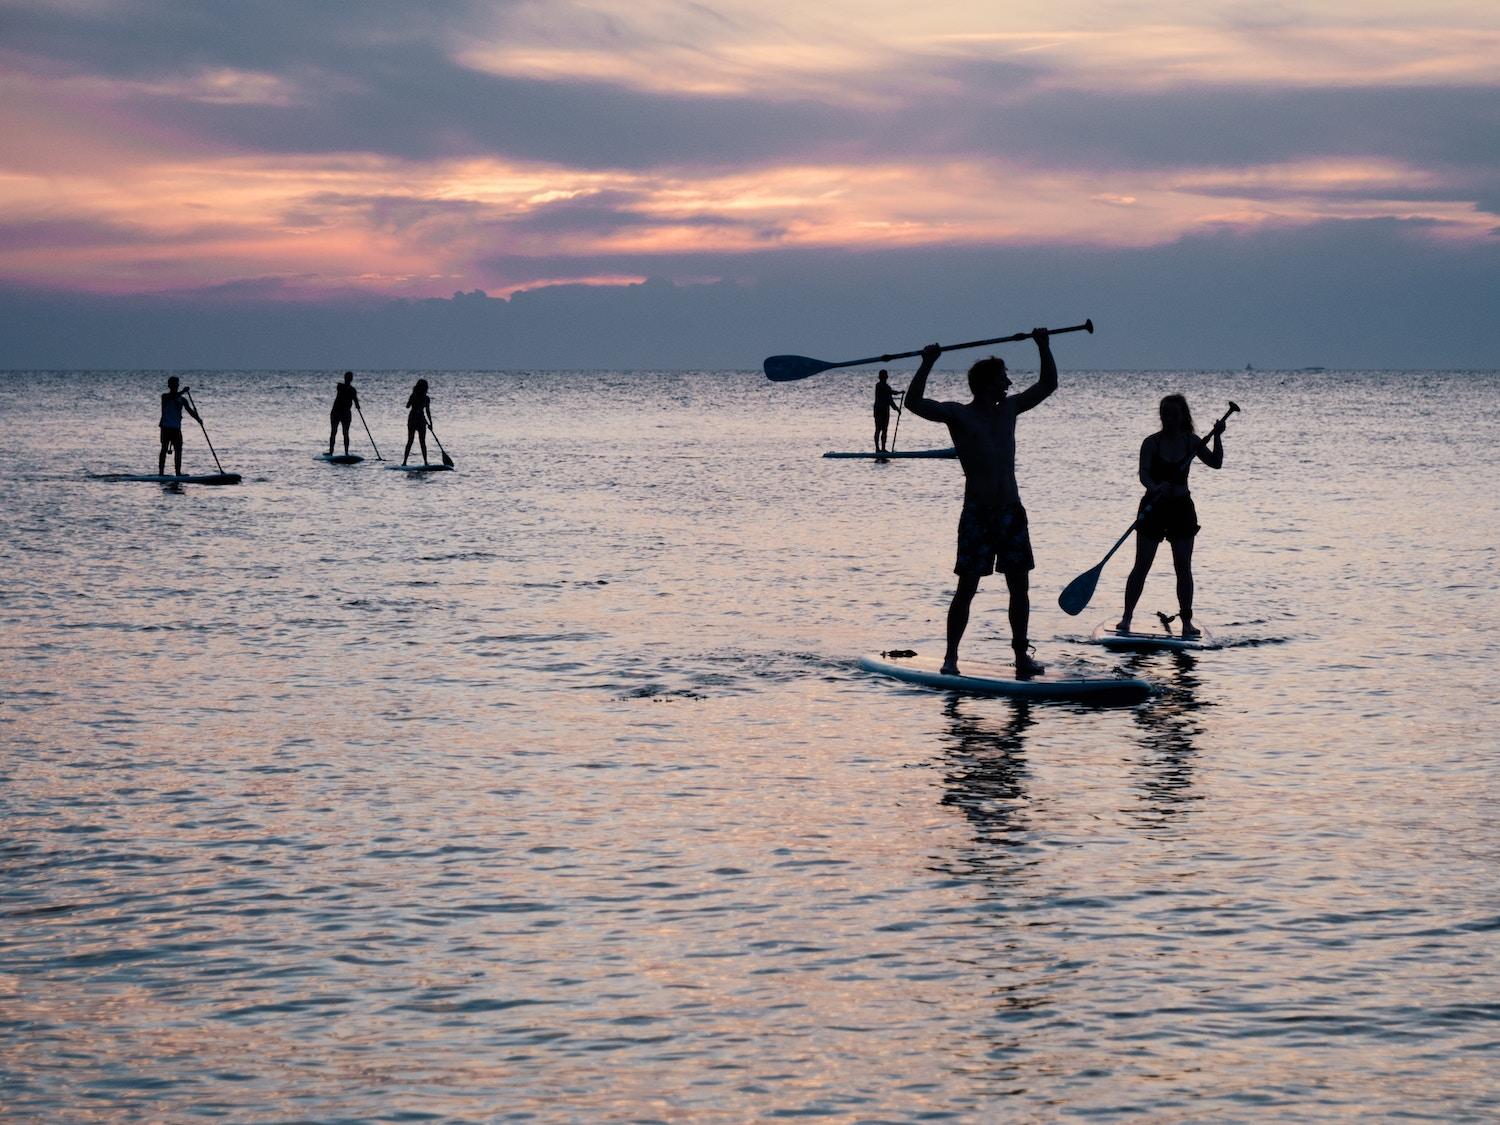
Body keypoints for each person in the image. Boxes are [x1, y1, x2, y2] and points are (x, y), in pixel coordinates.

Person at [904, 330, 1056, 679]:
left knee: (1019, 588)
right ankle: (950, 658)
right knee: (966, 588)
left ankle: (1021, 657)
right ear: (988, 383)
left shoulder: (1011, 409)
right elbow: (914, 403)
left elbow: (1048, 384)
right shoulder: (959, 415)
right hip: (977, 514)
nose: (1009, 382)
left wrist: (1043, 346)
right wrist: (927, 363)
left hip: (1011, 512)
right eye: (1003, 377)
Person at [1115, 394, 1225, 638]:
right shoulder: (1151, 443)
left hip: (1182, 509)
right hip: (1154, 507)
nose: (1168, 418)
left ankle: (1186, 622)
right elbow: (1143, 473)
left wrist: (1217, 436)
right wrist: (1155, 487)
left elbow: (1216, 463)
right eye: (1164, 413)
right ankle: (1126, 617)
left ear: (1182, 416)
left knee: (1183, 567)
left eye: (1173, 414)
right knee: (1141, 565)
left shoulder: (1192, 442)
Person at [158, 376, 200, 476]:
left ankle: (178, 473)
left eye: (176, 384)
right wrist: (183, 391)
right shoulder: (165, 397)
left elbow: (190, 411)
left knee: (178, 450)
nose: (175, 386)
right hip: (165, 427)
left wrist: (198, 419)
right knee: (164, 449)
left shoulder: (182, 400)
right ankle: (161, 473)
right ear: (169, 385)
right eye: (173, 384)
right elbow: (172, 397)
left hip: (176, 428)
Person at [328, 371, 361, 456]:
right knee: (334, 432)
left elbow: (356, 403)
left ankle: (346, 452)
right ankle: (331, 452)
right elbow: (343, 389)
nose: (348, 379)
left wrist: (357, 405)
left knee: (345, 433)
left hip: (345, 414)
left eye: (349, 378)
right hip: (336, 412)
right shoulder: (340, 387)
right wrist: (356, 404)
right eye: (348, 377)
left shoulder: (351, 390)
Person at [403, 378, 433, 466]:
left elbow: (408, 406)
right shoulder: (423, 398)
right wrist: (430, 423)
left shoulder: (418, 397)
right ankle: (424, 462)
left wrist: (431, 423)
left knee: (414, 441)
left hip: (419, 420)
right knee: (417, 441)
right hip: (415, 420)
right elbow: (408, 406)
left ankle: (406, 462)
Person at [873, 370, 902, 452]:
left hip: (885, 411)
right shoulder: (878, 386)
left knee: (885, 430)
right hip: (878, 411)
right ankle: (877, 448)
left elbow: (890, 400)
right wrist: (898, 392)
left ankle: (883, 448)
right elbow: (888, 392)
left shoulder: (888, 387)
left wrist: (897, 409)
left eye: (884, 377)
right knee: (878, 429)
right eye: (882, 377)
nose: (884, 379)